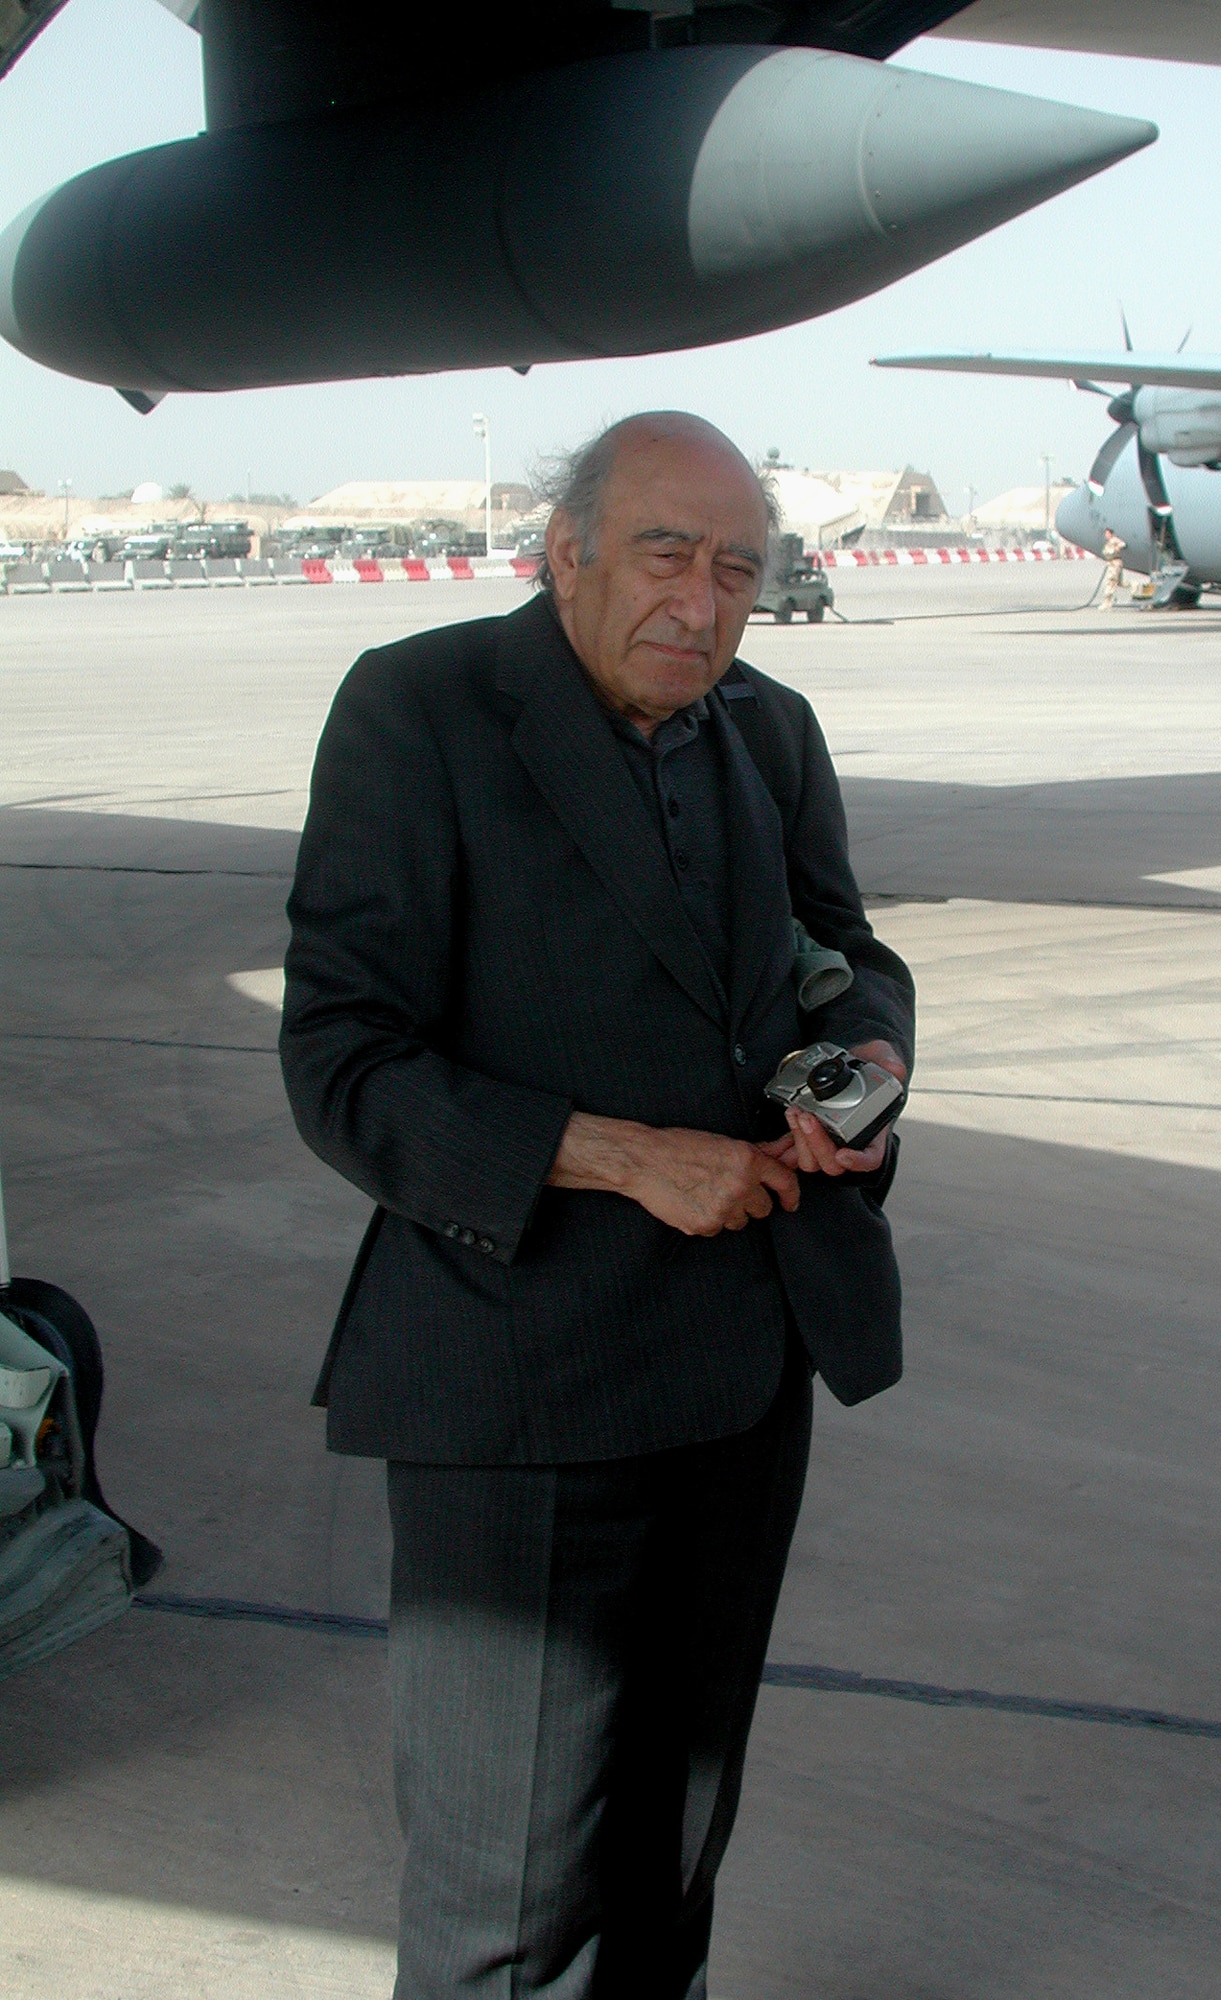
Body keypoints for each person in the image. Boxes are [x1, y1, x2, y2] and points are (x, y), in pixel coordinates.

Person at [280, 411, 915, 1999]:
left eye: (736, 570)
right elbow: (343, 1059)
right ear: (562, 552)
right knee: (511, 1895)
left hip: (742, 1368)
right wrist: (625, 1153)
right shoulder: (421, 710)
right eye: (663, 554)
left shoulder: (768, 729)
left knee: (671, 1860)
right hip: (521, 1380)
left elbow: (843, 950)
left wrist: (865, 1064)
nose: (700, 604)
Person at [1100, 526, 1128, 608]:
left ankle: (1107, 602)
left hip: (1115, 563)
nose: (1106, 535)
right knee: (1120, 583)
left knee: (1111, 582)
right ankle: (1135, 587)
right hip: (1112, 563)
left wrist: (1115, 549)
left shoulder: (1114, 540)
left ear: (1111, 534)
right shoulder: (1109, 542)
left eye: (1107, 533)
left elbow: (1123, 544)